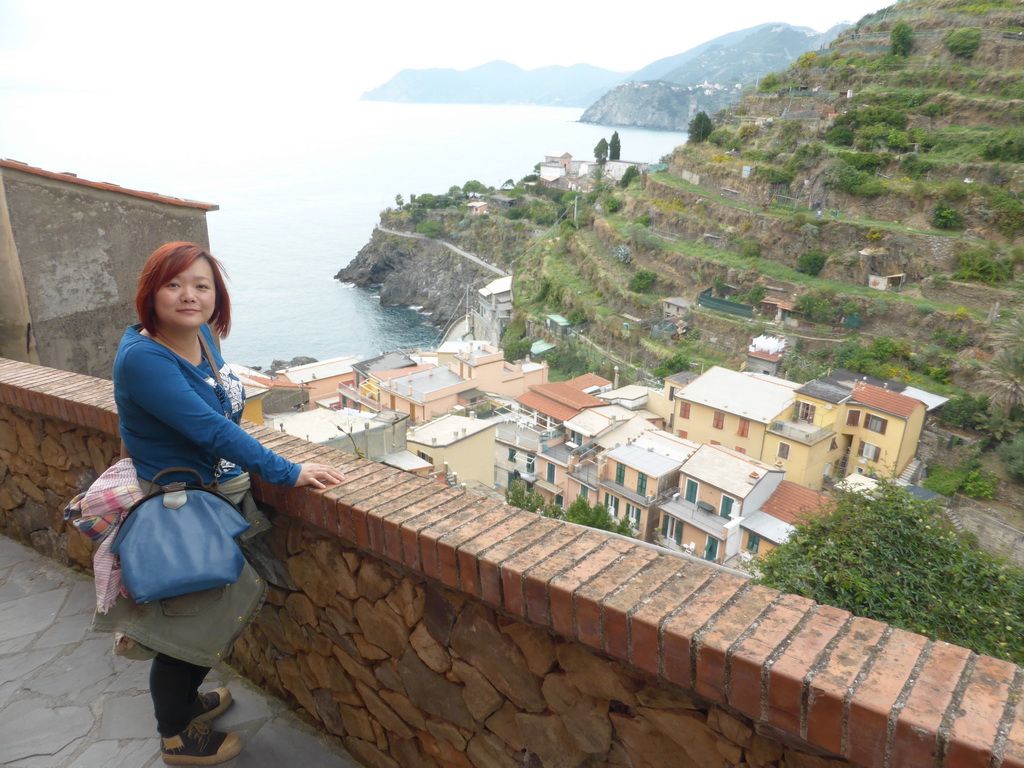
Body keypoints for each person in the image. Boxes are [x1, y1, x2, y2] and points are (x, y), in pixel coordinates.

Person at [94, 242, 344, 766]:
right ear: (151, 292)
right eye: (174, 284)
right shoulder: (144, 358)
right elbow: (208, 427)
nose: (189, 295)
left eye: (201, 285)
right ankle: (177, 736)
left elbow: (219, 413)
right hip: (181, 508)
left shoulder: (200, 337)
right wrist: (289, 470)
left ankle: (185, 704)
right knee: (187, 624)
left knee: (213, 612)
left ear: (216, 296)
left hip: (215, 499)